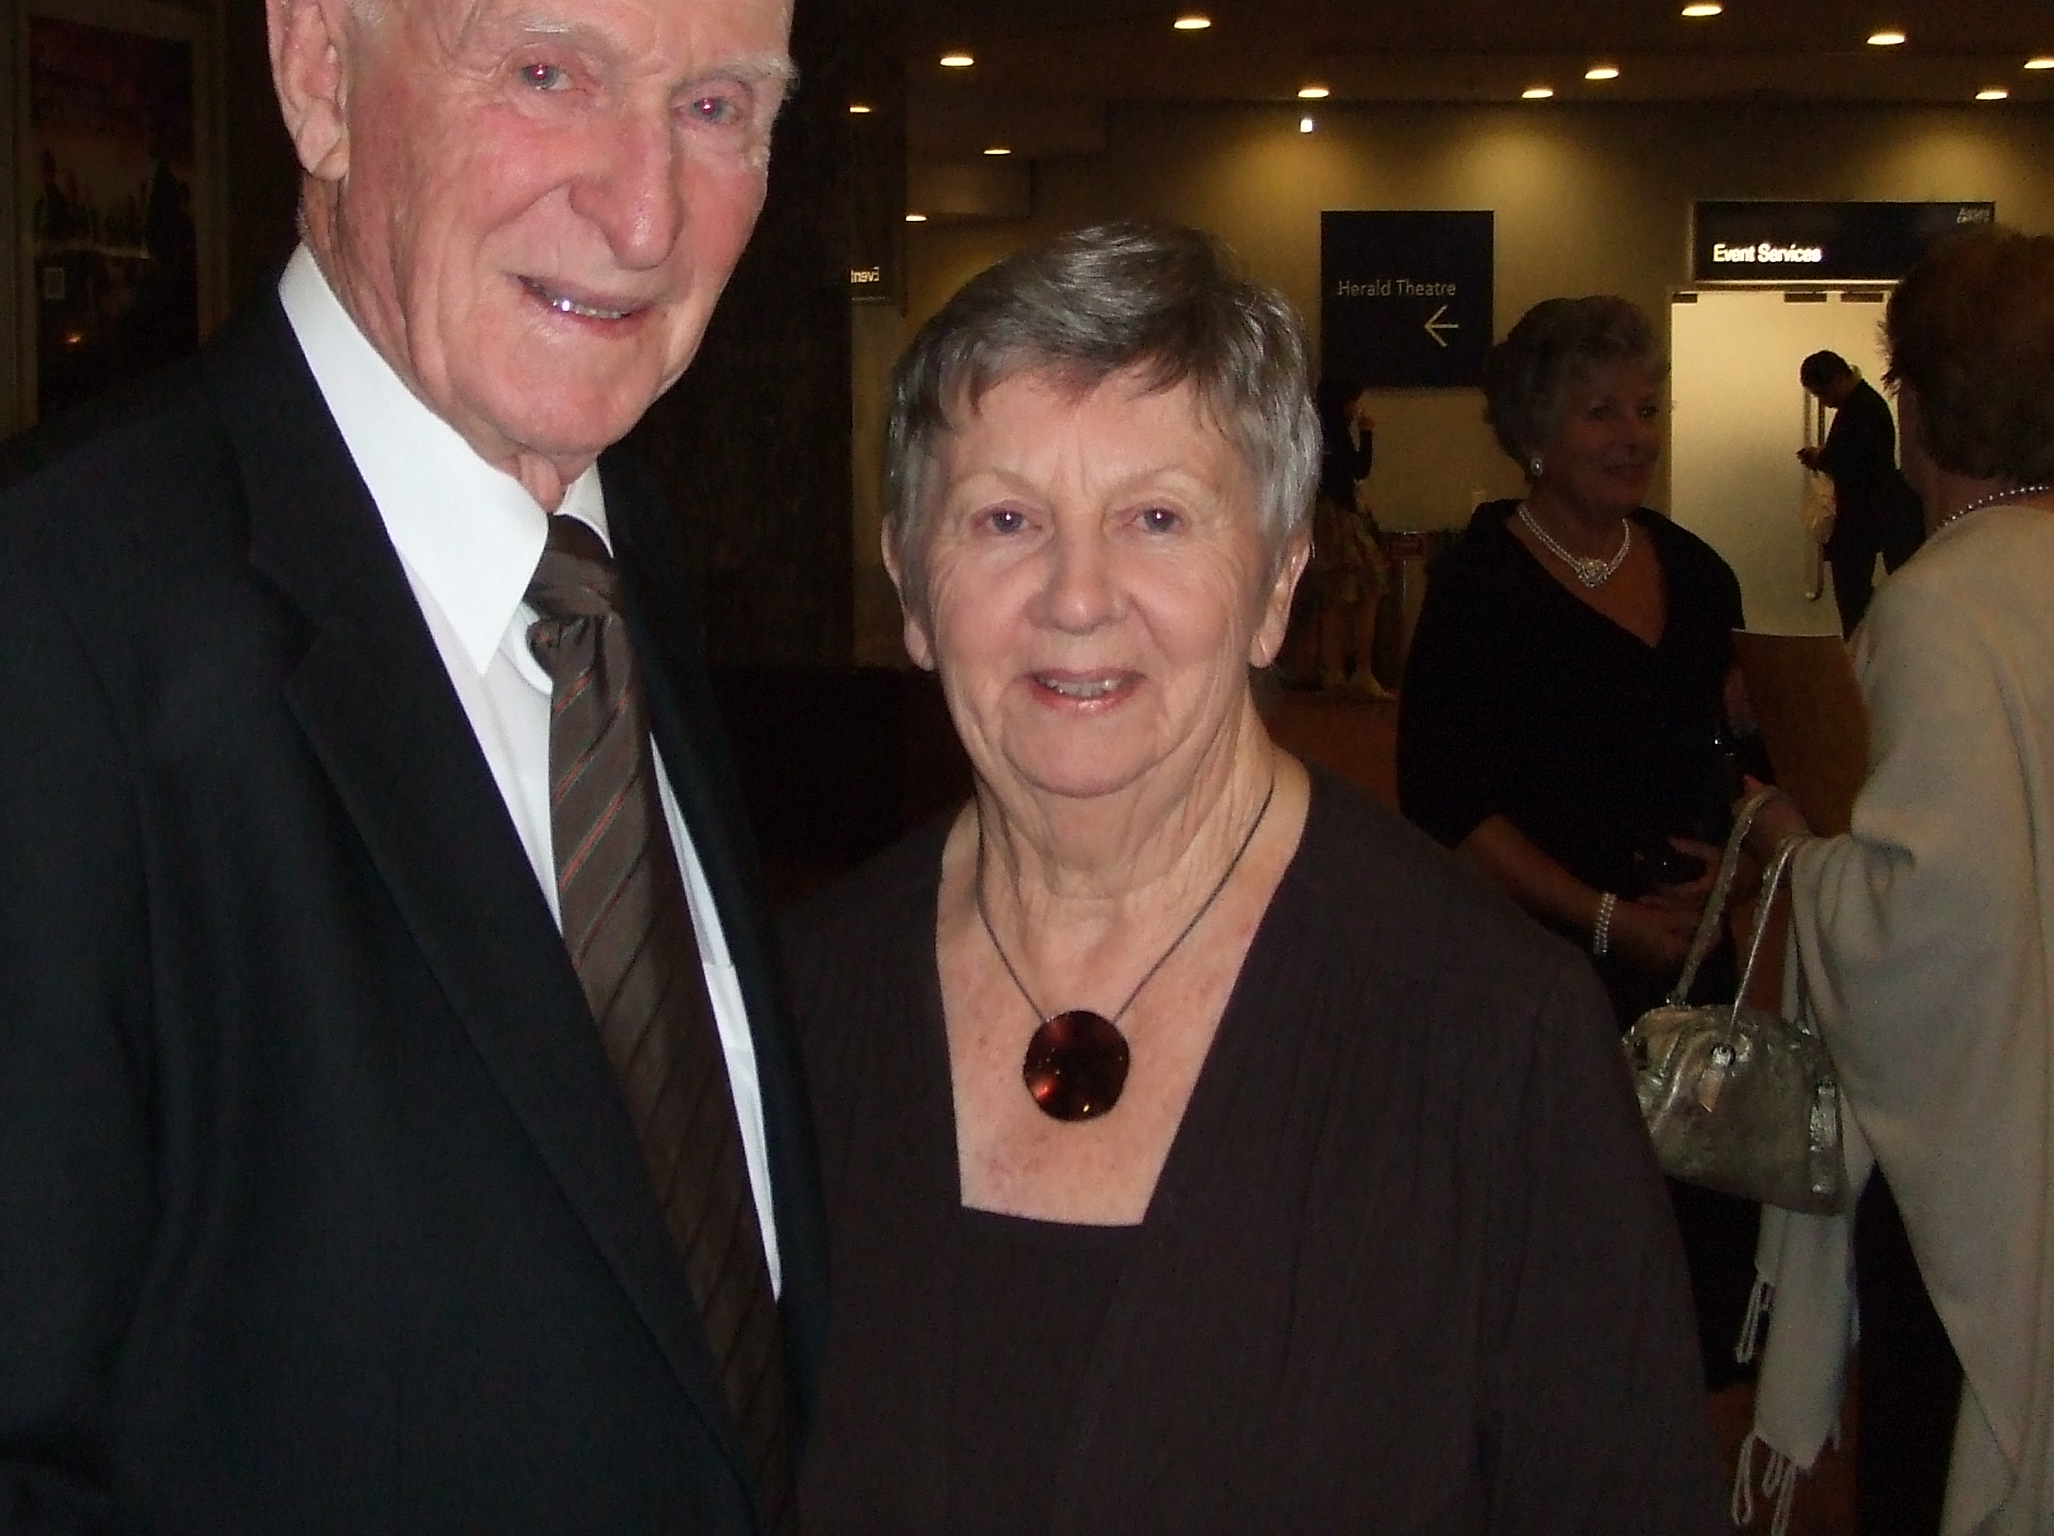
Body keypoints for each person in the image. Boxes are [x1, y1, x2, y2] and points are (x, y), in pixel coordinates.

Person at [0, 0, 825, 1534]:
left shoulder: (620, 582)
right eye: (550, 72)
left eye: (715, 107)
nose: (643, 210)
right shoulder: (32, 626)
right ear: (320, 72)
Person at [787, 225, 1722, 1533]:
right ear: (910, 583)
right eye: (1004, 519)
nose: (1076, 597)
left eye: (1157, 519)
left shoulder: (1494, 1034)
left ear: (1280, 583)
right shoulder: (791, 1013)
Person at [1741, 226, 2054, 1536]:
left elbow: (1924, 927)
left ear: (1918, 406)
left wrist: (1789, 847)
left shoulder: (1940, 606)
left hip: (1976, 1148)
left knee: (1938, 1447)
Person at [1396, 295, 1760, 1389]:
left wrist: (1738, 875)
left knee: (1697, 1278)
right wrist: (1604, 921)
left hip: (1693, 979)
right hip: (1539, 976)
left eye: (1646, 408)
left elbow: (1748, 765)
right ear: (1533, 435)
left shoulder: (1700, 574)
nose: (1633, 436)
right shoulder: (1479, 588)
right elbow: (1449, 806)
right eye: (1601, 412)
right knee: (1560, 1283)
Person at [1798, 346, 1920, 634]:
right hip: (1873, 516)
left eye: (1823, 394)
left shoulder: (1860, 410)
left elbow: (1852, 463)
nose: (1824, 402)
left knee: (1854, 600)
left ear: (1839, 380)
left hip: (1860, 520)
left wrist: (1821, 458)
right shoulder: (1866, 405)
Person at [1305, 370, 1388, 698]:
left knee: (1333, 597)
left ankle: (1333, 672)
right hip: (1340, 516)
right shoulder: (1337, 434)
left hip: (1321, 517)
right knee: (1368, 587)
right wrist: (1367, 433)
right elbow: (1359, 469)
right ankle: (1361, 670)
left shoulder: (1314, 434)